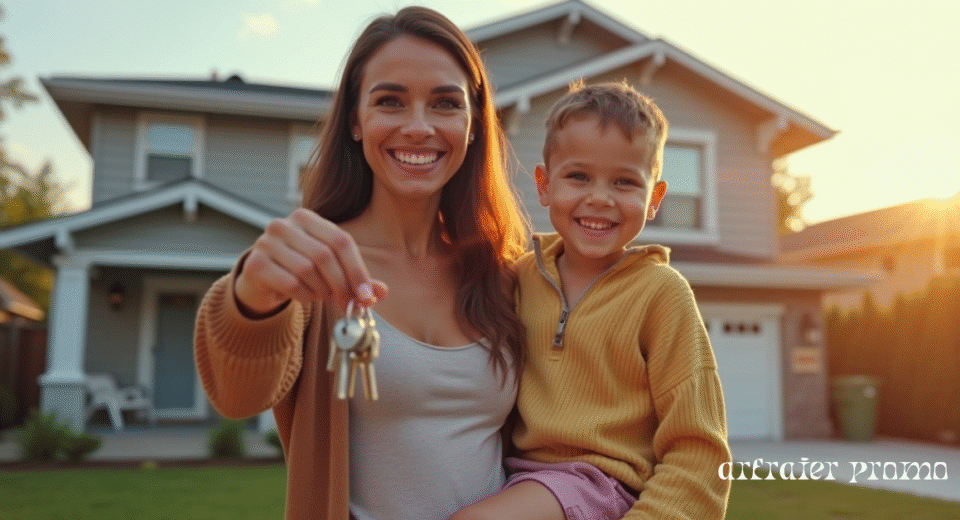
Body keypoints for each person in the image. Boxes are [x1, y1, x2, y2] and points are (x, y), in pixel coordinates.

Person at [193, 7, 529, 520]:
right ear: (355, 120)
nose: (418, 128)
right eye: (390, 101)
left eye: (445, 104)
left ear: (473, 124)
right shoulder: (314, 268)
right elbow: (238, 396)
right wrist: (251, 296)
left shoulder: (502, 276)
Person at [450, 81, 731, 520]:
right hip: (520, 477)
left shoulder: (661, 293)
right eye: (578, 176)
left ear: (654, 199)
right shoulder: (518, 279)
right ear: (544, 184)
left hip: (604, 483)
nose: (600, 198)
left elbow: (700, 447)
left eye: (625, 182)